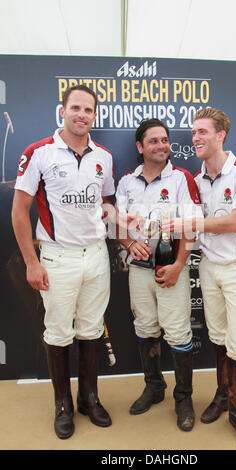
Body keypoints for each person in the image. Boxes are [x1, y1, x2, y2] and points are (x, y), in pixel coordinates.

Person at [11, 85, 115, 439]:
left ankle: (89, 398)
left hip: (97, 256)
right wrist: (30, 262)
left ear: (94, 115)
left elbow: (105, 204)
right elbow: (19, 211)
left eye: (88, 110)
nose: (81, 115)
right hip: (57, 258)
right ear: (63, 111)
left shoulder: (104, 156)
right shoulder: (38, 153)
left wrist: (120, 219)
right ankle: (63, 405)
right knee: (58, 332)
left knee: (90, 329)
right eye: (76, 108)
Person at [163, 108, 236, 445]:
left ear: (221, 135)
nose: (196, 138)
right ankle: (223, 396)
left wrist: (188, 224)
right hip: (208, 266)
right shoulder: (195, 179)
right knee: (219, 336)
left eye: (203, 132)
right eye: (193, 133)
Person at [115, 118, 203, 432]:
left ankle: (183, 398)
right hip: (138, 270)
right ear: (140, 147)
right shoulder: (126, 181)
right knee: (146, 326)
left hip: (171, 268)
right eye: (154, 141)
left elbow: (191, 225)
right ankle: (154, 388)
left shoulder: (182, 178)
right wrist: (128, 243)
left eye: (165, 140)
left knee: (178, 332)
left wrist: (180, 265)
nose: (162, 145)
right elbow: (117, 226)